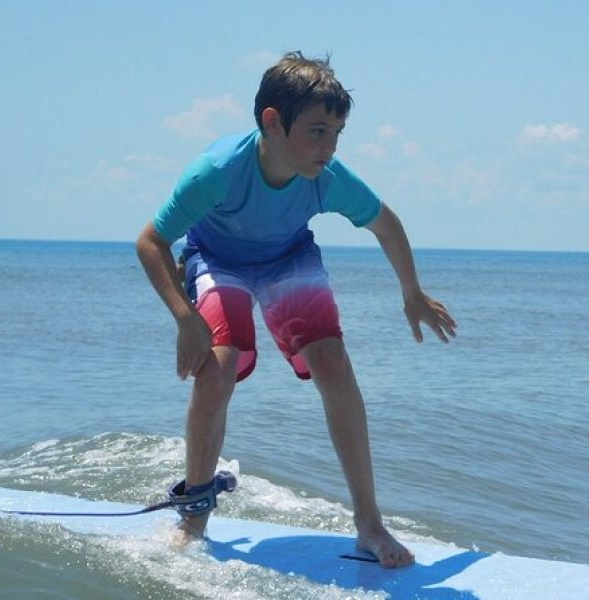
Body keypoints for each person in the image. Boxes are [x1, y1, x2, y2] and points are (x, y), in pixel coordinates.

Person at [136, 51, 456, 569]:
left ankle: (369, 525)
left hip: (288, 258)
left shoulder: (326, 178)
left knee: (331, 360)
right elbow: (151, 241)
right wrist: (185, 318)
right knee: (216, 373)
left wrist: (412, 293)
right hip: (218, 260)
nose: (328, 148)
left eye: (336, 135)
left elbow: (386, 224)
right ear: (272, 122)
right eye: (317, 132)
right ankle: (193, 519)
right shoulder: (217, 172)